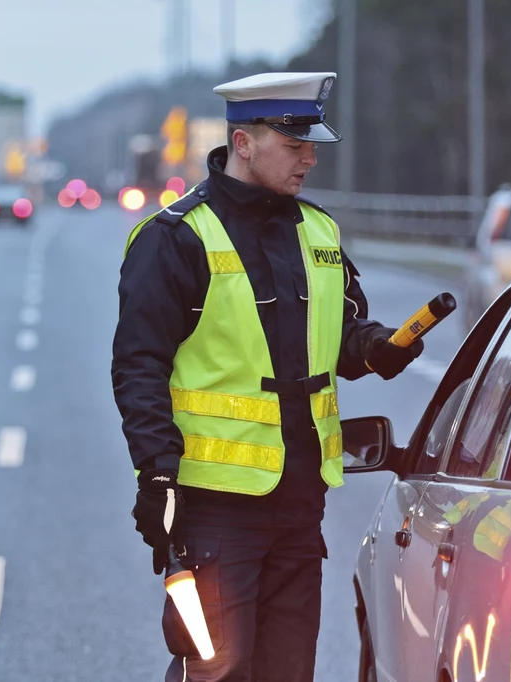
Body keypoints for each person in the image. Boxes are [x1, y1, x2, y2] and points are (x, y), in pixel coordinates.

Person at [111, 71, 426, 682]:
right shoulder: (176, 239)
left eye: (313, 143)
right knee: (217, 668)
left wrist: (378, 348)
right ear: (243, 142)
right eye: (294, 143)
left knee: (287, 671)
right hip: (216, 510)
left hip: (302, 506)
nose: (309, 157)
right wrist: (157, 474)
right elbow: (138, 367)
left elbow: (341, 338)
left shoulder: (320, 232)